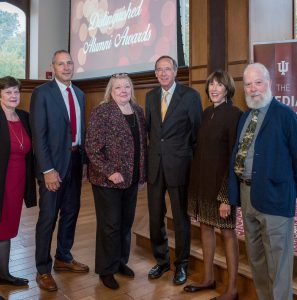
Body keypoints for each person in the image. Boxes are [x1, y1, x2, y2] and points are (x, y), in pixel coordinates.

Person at [229, 62, 297, 300]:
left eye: (258, 82)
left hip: (275, 200)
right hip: (248, 197)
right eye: (248, 84)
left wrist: (287, 193)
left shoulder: (286, 116)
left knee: (278, 263)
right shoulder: (246, 117)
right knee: (257, 260)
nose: (253, 88)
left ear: (269, 83)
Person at [30, 50, 89, 292]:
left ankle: (63, 256)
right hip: (52, 166)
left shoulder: (80, 94)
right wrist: (47, 169)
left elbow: (81, 132)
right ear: (53, 67)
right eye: (60, 64)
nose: (66, 67)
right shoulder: (41, 93)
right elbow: (38, 134)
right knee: (48, 217)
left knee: (71, 212)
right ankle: (43, 269)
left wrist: (84, 163)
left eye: (69, 63)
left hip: (75, 162)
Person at [184, 70, 241, 300]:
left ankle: (233, 288)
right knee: (205, 228)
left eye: (219, 84)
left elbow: (233, 157)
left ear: (227, 88)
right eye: (211, 85)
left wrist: (226, 196)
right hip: (201, 186)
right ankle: (208, 278)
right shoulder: (207, 113)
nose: (214, 88)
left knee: (228, 233)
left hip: (221, 189)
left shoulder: (235, 114)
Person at [86, 73, 147, 290]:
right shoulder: (102, 112)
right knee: (110, 225)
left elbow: (142, 145)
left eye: (127, 87)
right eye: (118, 87)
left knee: (125, 223)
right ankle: (106, 269)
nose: (123, 91)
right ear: (110, 91)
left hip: (131, 179)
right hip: (107, 181)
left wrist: (142, 174)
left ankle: (121, 261)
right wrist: (109, 171)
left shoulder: (138, 112)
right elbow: (92, 148)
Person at [146, 55, 202, 285]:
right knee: (155, 217)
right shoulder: (150, 97)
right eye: (159, 70)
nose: (163, 73)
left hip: (180, 167)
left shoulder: (190, 96)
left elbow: (197, 134)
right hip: (155, 167)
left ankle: (182, 265)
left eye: (167, 69)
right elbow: (150, 131)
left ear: (176, 71)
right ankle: (161, 261)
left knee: (180, 218)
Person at [0, 76, 36, 286]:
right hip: (2, 182)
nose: (13, 96)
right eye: (8, 92)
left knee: (7, 228)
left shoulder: (24, 117)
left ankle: (3, 274)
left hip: (18, 181)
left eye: (16, 92)